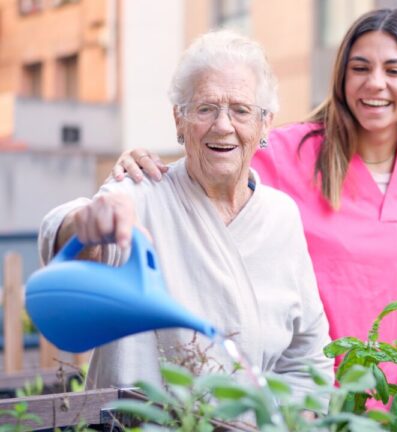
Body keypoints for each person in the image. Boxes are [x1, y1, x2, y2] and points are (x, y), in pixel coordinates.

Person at [107, 9, 397, 383]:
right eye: (360, 68)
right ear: (341, 77)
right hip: (307, 394)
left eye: (394, 70)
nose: (375, 83)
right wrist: (144, 166)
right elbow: (208, 168)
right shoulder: (290, 150)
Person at [38, 31, 333, 399]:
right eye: (205, 108)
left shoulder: (281, 216)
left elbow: (308, 355)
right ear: (179, 119)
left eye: (241, 110)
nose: (223, 125)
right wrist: (83, 226)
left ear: (265, 123)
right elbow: (76, 251)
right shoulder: (139, 195)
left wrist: (291, 419)